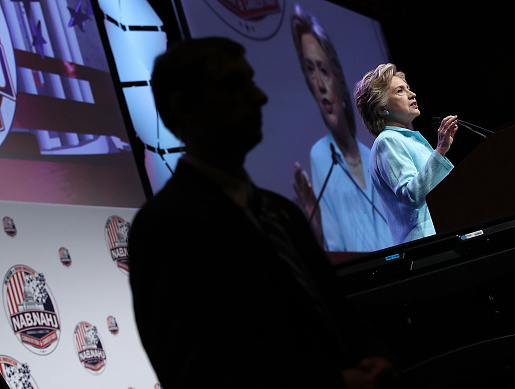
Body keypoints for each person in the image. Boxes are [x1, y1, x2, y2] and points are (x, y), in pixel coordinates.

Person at [128, 37, 400, 388]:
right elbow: (196, 372)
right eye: (234, 83)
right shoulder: (164, 228)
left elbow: (338, 316)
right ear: (185, 107)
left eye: (252, 80)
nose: (260, 96)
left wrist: (377, 359)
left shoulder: (281, 211)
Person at [290, 5, 393, 252]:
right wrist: (316, 228)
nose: (319, 84)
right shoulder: (320, 154)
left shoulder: (374, 156)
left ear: (337, 76)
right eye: (309, 71)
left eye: (323, 70)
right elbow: (335, 248)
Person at [353, 63, 457, 245]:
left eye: (408, 88)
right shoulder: (388, 141)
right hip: (428, 244)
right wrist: (440, 151)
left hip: (444, 233)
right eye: (400, 91)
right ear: (382, 108)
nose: (412, 94)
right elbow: (412, 195)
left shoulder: (406, 139)